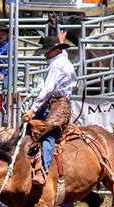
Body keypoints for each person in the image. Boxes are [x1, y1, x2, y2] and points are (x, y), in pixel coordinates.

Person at [22, 35, 76, 185]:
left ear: (56, 50)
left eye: (48, 51)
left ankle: (43, 171)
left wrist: (32, 109)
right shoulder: (62, 59)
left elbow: (48, 89)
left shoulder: (55, 65)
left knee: (47, 133)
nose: (45, 54)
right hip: (57, 103)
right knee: (32, 128)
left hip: (58, 105)